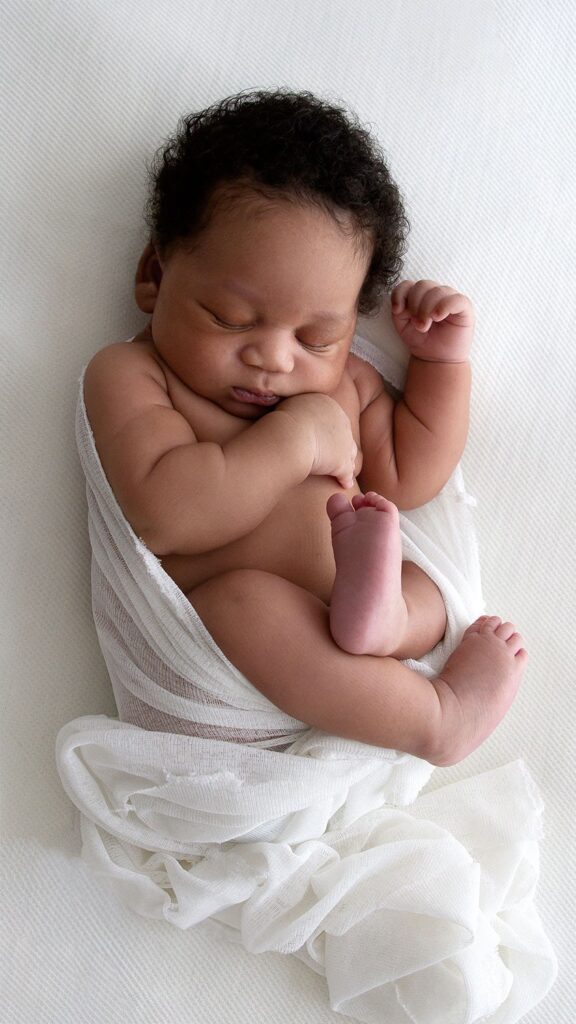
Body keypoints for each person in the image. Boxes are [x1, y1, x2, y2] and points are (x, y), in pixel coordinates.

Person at [83, 89, 526, 767]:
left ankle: (384, 622)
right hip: (238, 669)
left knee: (429, 590)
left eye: (317, 337)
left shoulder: (344, 381)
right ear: (153, 274)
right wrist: (299, 439)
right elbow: (169, 515)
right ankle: (437, 717)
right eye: (231, 318)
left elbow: (412, 474)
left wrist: (439, 363)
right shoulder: (133, 376)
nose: (274, 358)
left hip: (355, 641)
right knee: (243, 606)